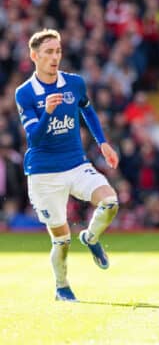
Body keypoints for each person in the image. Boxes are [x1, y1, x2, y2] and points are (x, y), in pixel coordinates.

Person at [14, 29, 120, 301]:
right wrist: (47, 112)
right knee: (61, 240)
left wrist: (102, 142)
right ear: (34, 56)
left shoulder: (74, 83)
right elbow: (34, 139)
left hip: (75, 164)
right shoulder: (25, 94)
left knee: (110, 201)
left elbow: (87, 109)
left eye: (58, 51)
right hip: (43, 174)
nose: (55, 57)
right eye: (48, 52)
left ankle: (91, 238)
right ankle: (62, 287)